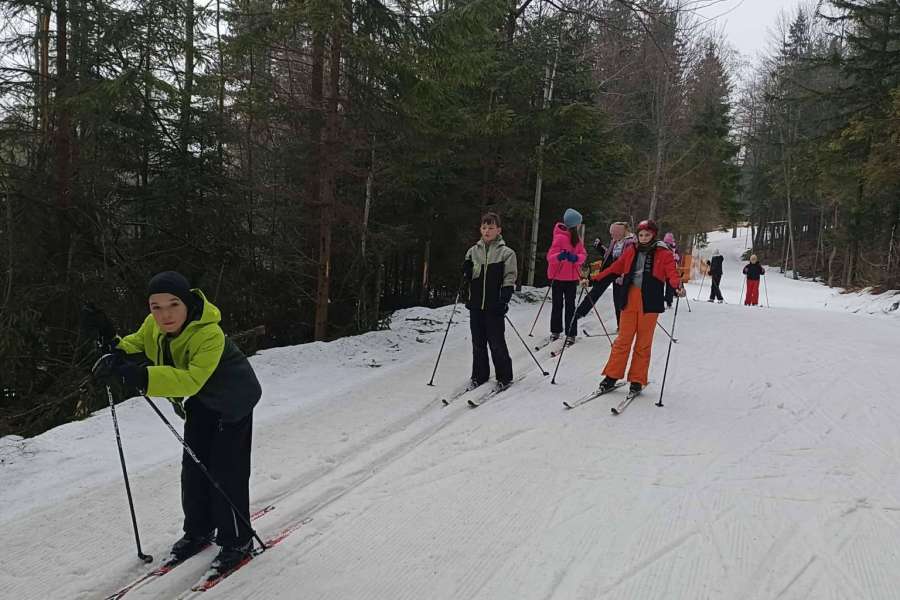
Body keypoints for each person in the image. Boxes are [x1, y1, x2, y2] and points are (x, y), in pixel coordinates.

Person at [90, 271, 262, 575]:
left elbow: (190, 380)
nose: (164, 314)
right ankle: (199, 530)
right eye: (156, 306)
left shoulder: (209, 334)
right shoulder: (152, 325)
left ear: (187, 303)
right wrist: (114, 348)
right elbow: (137, 342)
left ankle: (238, 540)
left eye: (173, 304)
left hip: (232, 401)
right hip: (200, 403)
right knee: (194, 468)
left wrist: (140, 376)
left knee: (226, 470)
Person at [589, 219, 684, 394]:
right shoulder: (631, 250)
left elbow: (671, 272)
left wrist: (678, 286)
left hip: (650, 302)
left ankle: (637, 380)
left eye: (647, 235)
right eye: (641, 235)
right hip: (630, 299)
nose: (644, 238)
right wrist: (594, 278)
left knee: (643, 343)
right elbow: (615, 268)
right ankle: (611, 376)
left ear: (653, 235)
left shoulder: (663, 253)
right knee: (622, 340)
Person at [463, 212, 518, 391]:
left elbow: (510, 277)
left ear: (498, 230)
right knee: (478, 342)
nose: (487, 231)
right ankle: (479, 375)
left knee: (496, 341)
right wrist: (466, 272)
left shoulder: (506, 253)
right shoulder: (473, 252)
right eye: (484, 227)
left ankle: (504, 375)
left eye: (491, 228)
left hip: (494, 305)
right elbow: (470, 277)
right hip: (476, 305)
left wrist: (504, 298)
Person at [573, 221, 634, 334]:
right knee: (596, 291)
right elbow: (608, 256)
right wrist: (600, 247)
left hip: (621, 273)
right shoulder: (615, 241)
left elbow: (627, 260)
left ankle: (621, 326)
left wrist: (624, 275)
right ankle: (578, 314)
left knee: (619, 299)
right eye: (611, 233)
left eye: (614, 233)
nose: (612, 236)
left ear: (621, 233)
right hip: (611, 270)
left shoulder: (630, 243)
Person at [545, 208, 586, 344]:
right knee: (557, 305)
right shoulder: (559, 237)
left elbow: (583, 255)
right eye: (578, 223)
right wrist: (560, 256)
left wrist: (575, 258)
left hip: (571, 278)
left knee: (570, 306)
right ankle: (555, 331)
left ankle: (571, 333)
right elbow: (550, 257)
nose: (579, 225)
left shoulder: (577, 239)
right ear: (574, 224)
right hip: (558, 277)